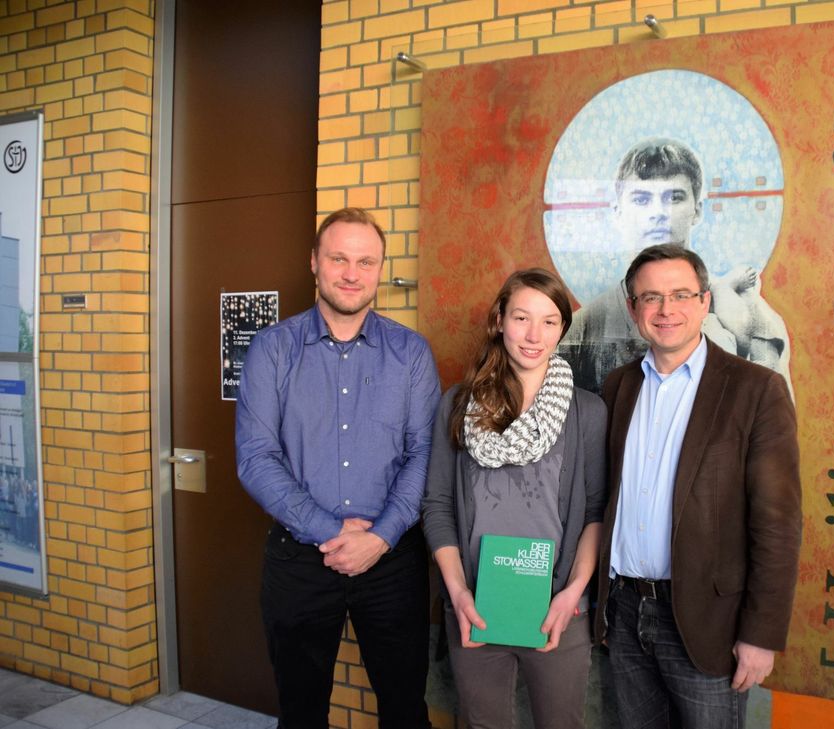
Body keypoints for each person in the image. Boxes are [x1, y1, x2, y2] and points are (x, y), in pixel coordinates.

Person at [236, 207, 440, 729]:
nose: (352, 273)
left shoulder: (411, 353)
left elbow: (424, 453)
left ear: (380, 269)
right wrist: (331, 531)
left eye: (365, 261)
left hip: (392, 560)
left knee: (405, 712)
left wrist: (381, 536)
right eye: (339, 259)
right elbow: (256, 458)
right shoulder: (271, 350)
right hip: (299, 559)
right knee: (300, 714)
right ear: (314, 262)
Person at [594, 244, 801, 729]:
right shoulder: (618, 387)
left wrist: (761, 634)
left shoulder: (756, 390)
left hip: (709, 622)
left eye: (681, 295)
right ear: (633, 309)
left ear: (705, 301)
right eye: (651, 297)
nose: (666, 309)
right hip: (624, 613)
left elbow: (778, 524)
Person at [422, 268, 607, 729]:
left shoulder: (587, 412)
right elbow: (438, 504)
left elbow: (595, 512)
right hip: (475, 605)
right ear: (500, 320)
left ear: (562, 329)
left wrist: (572, 593)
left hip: (559, 608)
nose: (533, 335)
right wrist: (458, 592)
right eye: (522, 317)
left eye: (549, 321)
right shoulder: (459, 406)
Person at [557, 138, 791, 395]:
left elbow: (770, 412)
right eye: (642, 199)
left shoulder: (751, 319)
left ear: (697, 210)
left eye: (674, 198)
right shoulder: (581, 330)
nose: (659, 212)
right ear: (617, 211)